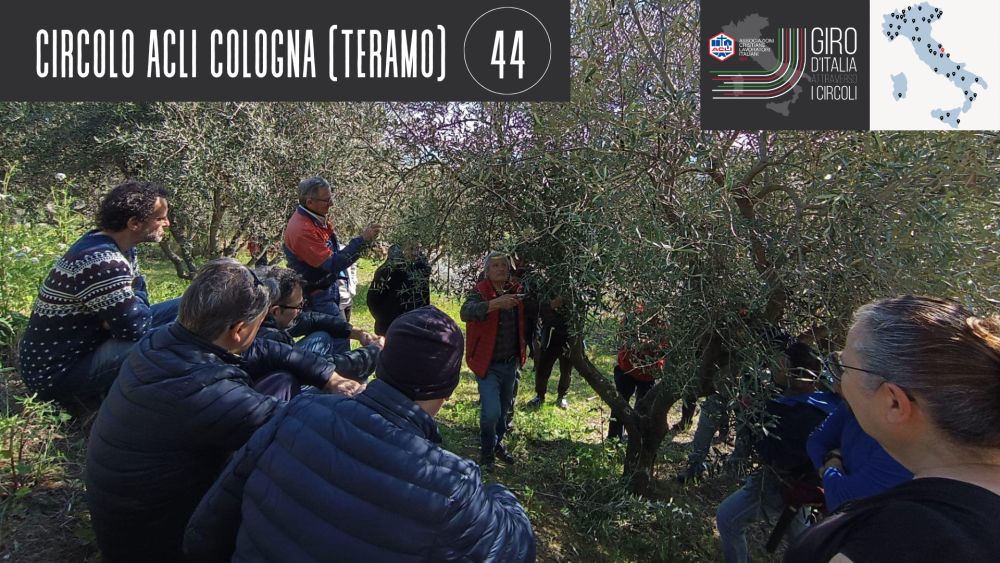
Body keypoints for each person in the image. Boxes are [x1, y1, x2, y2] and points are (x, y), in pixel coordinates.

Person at [183, 306, 536, 563]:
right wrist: (498, 494)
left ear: (381, 366)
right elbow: (518, 548)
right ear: (449, 387)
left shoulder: (300, 411)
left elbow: (208, 525)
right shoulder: (452, 487)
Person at [85, 259, 365, 563]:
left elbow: (265, 350)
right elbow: (299, 428)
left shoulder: (163, 341)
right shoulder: (210, 392)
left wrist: (330, 376)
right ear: (238, 329)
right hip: (165, 546)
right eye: (258, 326)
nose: (258, 336)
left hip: (131, 527)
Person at [786, 296, 1000, 562]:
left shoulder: (895, 539)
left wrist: (832, 462)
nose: (839, 379)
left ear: (894, 402)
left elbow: (841, 494)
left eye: (844, 367)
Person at [18, 180, 179, 407]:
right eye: (160, 218)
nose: (167, 223)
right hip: (59, 374)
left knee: (191, 307)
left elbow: (137, 301)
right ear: (134, 223)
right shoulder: (102, 261)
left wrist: (123, 310)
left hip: (88, 347)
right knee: (176, 336)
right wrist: (129, 307)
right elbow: (136, 328)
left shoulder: (119, 248)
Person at [716, 341, 840, 563]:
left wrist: (753, 418)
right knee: (802, 539)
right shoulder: (822, 402)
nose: (774, 366)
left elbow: (776, 452)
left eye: (779, 362)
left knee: (727, 518)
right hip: (803, 484)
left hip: (782, 481)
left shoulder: (799, 413)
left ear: (797, 373)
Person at [282, 176, 380, 354]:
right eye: (326, 200)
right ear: (309, 201)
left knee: (333, 337)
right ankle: (341, 377)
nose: (331, 204)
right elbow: (333, 263)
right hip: (318, 295)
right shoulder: (302, 229)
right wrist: (362, 241)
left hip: (326, 289)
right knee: (339, 341)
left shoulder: (316, 219)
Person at [257, 266, 381, 387]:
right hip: (274, 395)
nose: (301, 310)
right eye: (298, 306)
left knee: (322, 336)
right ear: (276, 311)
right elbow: (319, 366)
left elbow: (310, 320)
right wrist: (373, 353)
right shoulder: (271, 340)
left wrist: (357, 333)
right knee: (349, 384)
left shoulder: (260, 315)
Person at [460, 251, 527, 470]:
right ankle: (487, 452)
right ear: (487, 270)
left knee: (505, 409)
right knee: (491, 412)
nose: (501, 269)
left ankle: (496, 444)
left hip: (511, 363)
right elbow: (465, 313)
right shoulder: (480, 292)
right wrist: (495, 304)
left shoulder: (516, 291)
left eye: (504, 266)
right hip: (487, 364)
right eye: (496, 266)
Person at [806, 389, 911, 513]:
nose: (837, 385)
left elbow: (842, 500)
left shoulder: (902, 443)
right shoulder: (853, 405)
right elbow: (817, 442)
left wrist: (833, 461)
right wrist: (827, 474)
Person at [607, 307, 667, 440]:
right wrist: (638, 344)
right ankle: (614, 438)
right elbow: (622, 335)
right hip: (627, 367)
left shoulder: (665, 321)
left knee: (644, 407)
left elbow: (667, 346)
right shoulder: (634, 315)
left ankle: (637, 437)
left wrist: (652, 346)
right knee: (620, 404)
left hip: (648, 372)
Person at [367, 242, 431, 335]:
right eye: (411, 248)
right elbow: (372, 300)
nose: (415, 253)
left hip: (414, 329)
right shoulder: (387, 270)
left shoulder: (420, 269)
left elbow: (424, 300)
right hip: (389, 329)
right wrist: (385, 320)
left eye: (418, 249)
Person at [526, 295, 575, 409]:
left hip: (569, 334)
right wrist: (552, 305)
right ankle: (540, 395)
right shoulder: (550, 286)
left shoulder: (575, 289)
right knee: (543, 367)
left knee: (566, 369)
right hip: (550, 333)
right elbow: (540, 308)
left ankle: (562, 396)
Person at [338, 242, 359, 322]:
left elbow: (353, 265)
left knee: (347, 327)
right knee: (341, 329)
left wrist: (353, 283)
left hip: (348, 297)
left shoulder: (343, 249)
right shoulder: (323, 252)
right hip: (337, 300)